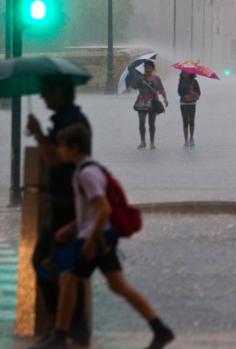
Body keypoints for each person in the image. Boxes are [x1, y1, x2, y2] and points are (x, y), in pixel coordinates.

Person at [33, 124, 175, 349]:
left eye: (63, 146)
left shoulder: (87, 174)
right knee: (113, 285)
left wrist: (89, 242)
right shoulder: (83, 171)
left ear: (75, 147)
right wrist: (71, 228)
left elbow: (104, 209)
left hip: (98, 239)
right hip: (99, 236)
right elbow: (91, 210)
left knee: (70, 277)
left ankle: (59, 336)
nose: (60, 151)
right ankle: (160, 329)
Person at [26, 76, 92, 348]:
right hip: (62, 202)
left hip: (67, 205)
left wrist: (39, 133)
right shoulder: (68, 118)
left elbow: (56, 158)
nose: (42, 97)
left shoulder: (70, 123)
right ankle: (68, 330)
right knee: (60, 267)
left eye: (45, 91)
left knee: (46, 262)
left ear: (59, 91)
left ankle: (63, 331)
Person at [132, 60, 168, 150]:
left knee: (151, 123)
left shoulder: (156, 79)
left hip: (153, 102)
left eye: (149, 68)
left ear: (153, 68)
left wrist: (165, 99)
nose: (147, 69)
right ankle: (142, 141)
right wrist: (136, 79)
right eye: (146, 68)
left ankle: (152, 142)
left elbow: (162, 89)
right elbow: (134, 86)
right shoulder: (140, 78)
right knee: (141, 121)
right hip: (142, 102)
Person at [177, 71, 201, 147]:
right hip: (183, 103)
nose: (185, 74)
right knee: (185, 122)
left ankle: (191, 138)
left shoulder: (195, 82)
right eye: (184, 72)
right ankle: (186, 140)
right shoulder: (181, 81)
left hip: (192, 103)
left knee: (191, 121)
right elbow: (179, 92)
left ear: (190, 73)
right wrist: (186, 93)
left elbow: (199, 92)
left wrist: (193, 92)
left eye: (187, 72)